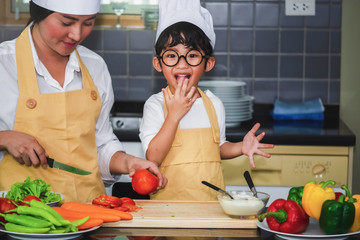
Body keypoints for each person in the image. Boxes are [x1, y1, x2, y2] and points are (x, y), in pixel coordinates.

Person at [0, 0, 166, 203]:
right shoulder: (4, 63)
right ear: (39, 13)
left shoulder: (95, 66)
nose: (77, 35)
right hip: (19, 219)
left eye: (88, 23)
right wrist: (3, 138)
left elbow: (101, 145)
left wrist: (129, 162)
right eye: (66, 22)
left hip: (90, 214)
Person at [139, 0, 274, 201]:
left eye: (192, 55)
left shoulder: (214, 104)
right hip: (168, 209)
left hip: (211, 206)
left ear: (208, 63)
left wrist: (240, 148)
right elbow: (153, 157)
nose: (182, 64)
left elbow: (218, 149)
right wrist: (174, 116)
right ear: (158, 64)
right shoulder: (156, 105)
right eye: (171, 55)